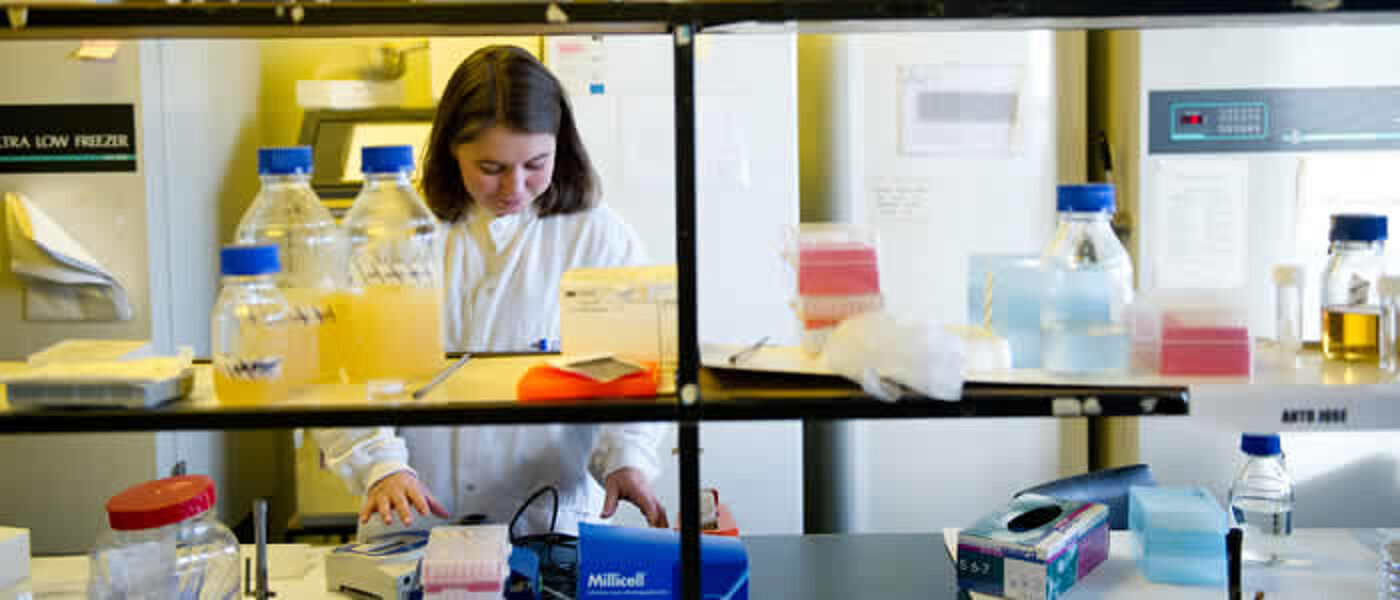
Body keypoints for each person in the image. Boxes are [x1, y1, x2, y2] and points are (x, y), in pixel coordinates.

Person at [313, 45, 668, 536]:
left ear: (560, 147)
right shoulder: (394, 233)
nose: (514, 188)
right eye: (491, 167)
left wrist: (627, 459)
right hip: (417, 516)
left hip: (550, 518)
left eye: (535, 164)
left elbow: (631, 370)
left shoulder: (597, 236)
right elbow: (341, 371)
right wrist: (381, 465)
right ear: (451, 149)